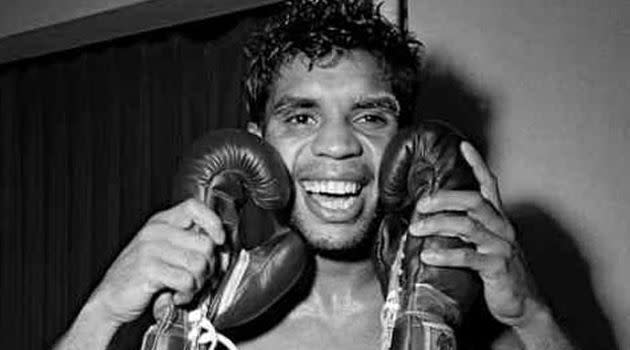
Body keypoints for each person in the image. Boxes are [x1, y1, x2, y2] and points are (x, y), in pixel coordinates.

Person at [54, 0, 575, 349]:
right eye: (301, 117)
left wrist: (532, 316)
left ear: (404, 146)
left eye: (370, 116)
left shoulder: (477, 331)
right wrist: (100, 313)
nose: (337, 145)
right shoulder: (189, 323)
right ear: (254, 147)